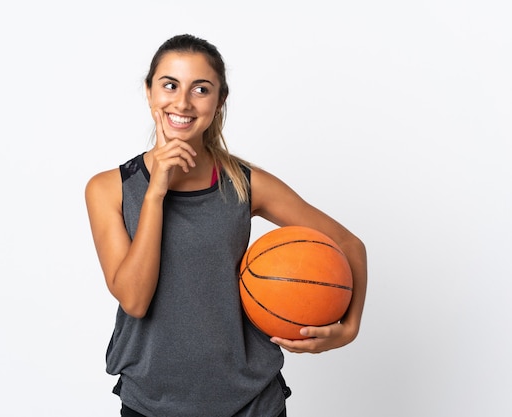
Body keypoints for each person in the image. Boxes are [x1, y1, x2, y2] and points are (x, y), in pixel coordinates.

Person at [85, 33, 367, 417]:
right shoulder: (109, 189)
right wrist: (155, 195)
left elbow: (350, 245)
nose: (182, 102)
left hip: (250, 402)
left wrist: (347, 330)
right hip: (152, 402)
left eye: (201, 89)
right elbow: (134, 300)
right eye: (170, 85)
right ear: (150, 92)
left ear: (219, 102)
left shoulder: (245, 183)